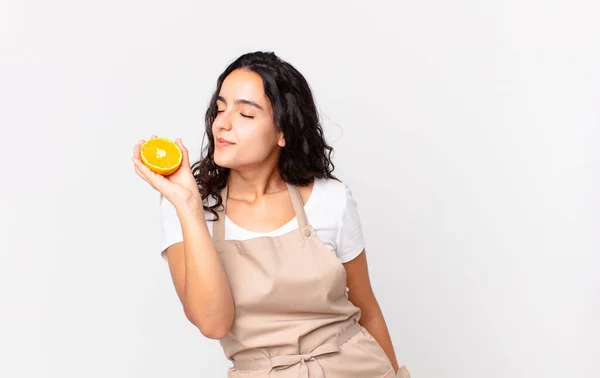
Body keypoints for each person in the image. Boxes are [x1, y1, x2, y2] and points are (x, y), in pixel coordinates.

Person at [132, 51, 410, 378]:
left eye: (246, 114)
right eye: (219, 109)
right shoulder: (184, 207)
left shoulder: (331, 200)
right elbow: (213, 322)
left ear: (283, 132)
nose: (222, 122)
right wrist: (189, 207)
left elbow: (368, 309)